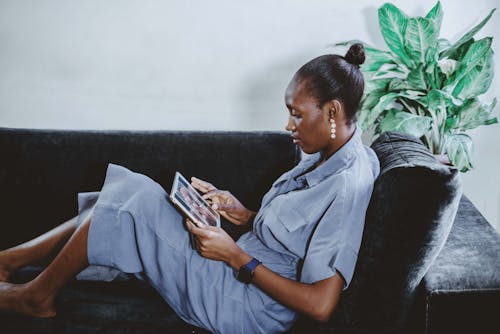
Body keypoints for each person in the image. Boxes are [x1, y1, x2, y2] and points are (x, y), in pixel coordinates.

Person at [0, 43, 380, 334]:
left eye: (297, 114)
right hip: (231, 273)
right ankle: (10, 260)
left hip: (245, 306)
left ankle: (36, 296)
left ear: (331, 112)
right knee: (120, 194)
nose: (288, 125)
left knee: (131, 201)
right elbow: (292, 240)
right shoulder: (323, 155)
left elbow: (320, 305)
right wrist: (244, 215)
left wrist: (236, 257)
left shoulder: (347, 184)